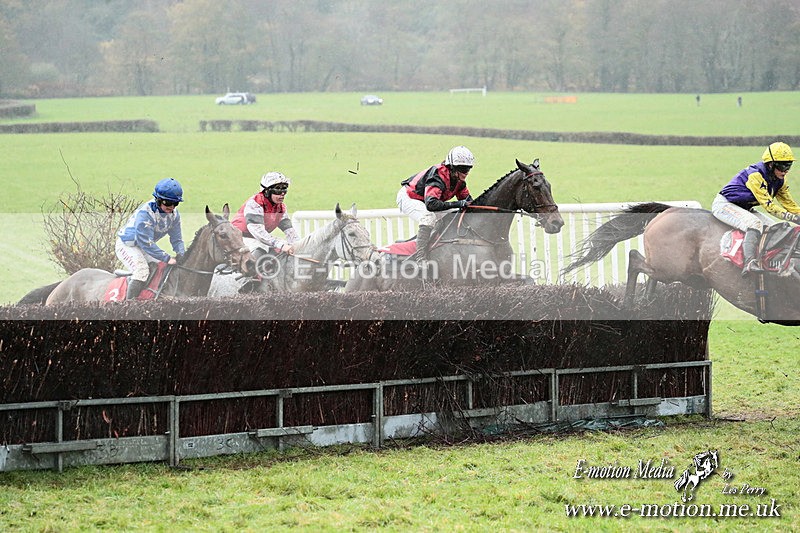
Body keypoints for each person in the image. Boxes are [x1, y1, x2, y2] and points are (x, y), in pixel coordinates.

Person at [712, 142, 800, 275]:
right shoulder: (756, 175)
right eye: (782, 166)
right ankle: (749, 263)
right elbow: (769, 207)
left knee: (775, 226)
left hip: (744, 207)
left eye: (789, 166)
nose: (785, 170)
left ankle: (769, 260)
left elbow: (790, 205)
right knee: (755, 224)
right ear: (770, 164)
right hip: (725, 204)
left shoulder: (780, 180)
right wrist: (792, 218)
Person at [396, 146, 475, 261]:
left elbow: (469, 202)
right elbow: (431, 205)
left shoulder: (459, 181)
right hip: (409, 197)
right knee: (428, 217)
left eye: (468, 168)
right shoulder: (438, 175)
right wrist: (459, 203)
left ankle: (436, 248)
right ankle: (420, 257)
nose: (466, 172)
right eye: (463, 168)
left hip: (426, 201)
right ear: (452, 167)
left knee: (454, 214)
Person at [116, 178, 186, 299]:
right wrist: (167, 257)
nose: (172, 207)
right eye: (168, 203)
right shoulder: (145, 214)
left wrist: (182, 255)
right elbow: (145, 242)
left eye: (176, 203)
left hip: (145, 247)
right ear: (158, 200)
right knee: (142, 271)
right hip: (128, 246)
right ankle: (128, 306)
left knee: (161, 268)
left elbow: (177, 239)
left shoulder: (174, 215)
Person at [232, 171, 300, 259]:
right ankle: (251, 272)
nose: (282, 193)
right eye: (278, 189)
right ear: (267, 191)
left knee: (279, 251)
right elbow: (259, 233)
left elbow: (291, 233)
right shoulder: (255, 204)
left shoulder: (281, 208)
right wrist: (281, 245)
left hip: (256, 238)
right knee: (260, 249)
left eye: (284, 189)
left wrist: (299, 247)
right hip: (237, 238)